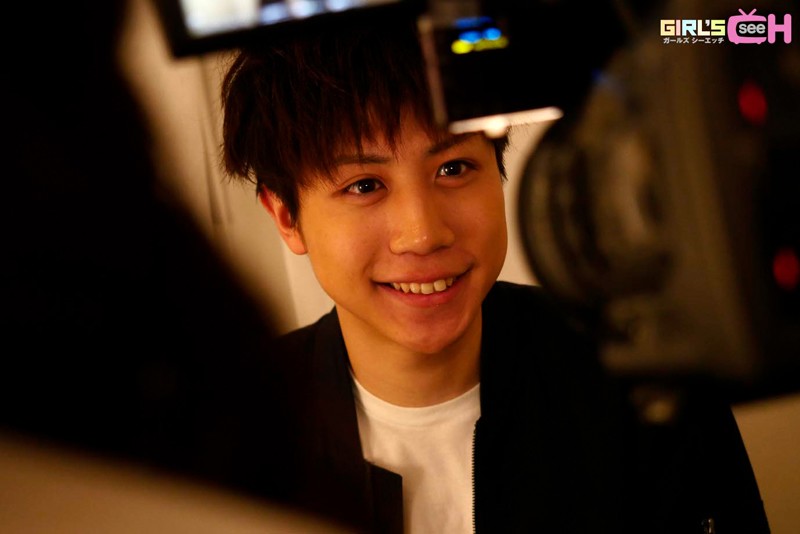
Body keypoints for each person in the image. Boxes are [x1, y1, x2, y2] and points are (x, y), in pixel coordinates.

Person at [218, 14, 771, 534]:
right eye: (364, 185)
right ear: (286, 216)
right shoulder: (233, 430)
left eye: (453, 167)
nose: (423, 234)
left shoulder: (647, 373)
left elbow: (755, 28)